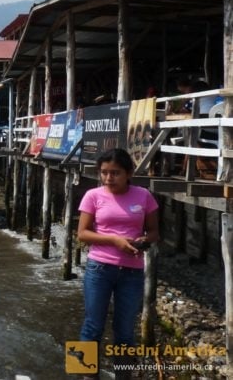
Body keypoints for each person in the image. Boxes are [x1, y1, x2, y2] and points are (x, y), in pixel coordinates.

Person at [77, 148, 159, 377]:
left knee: (125, 332)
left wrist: (144, 240)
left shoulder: (144, 196)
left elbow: (154, 233)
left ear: (129, 173)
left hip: (132, 272)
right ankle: (84, 374)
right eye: (104, 173)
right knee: (92, 326)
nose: (108, 178)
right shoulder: (92, 196)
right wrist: (114, 240)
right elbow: (82, 234)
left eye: (115, 173)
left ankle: (124, 376)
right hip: (99, 268)